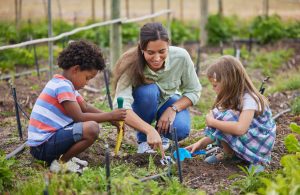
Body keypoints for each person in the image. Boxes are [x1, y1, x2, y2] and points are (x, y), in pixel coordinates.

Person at [27, 40, 126, 172]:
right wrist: (110, 115)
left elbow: (84, 106)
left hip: (46, 143)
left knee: (85, 125)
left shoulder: (65, 84)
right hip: (43, 147)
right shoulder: (62, 86)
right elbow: (79, 116)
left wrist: (111, 119)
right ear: (76, 69)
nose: (87, 83)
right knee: (91, 128)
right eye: (87, 78)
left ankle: (63, 159)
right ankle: (60, 163)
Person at [113, 22, 202, 154]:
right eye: (150, 52)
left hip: (169, 100)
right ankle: (144, 140)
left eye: (162, 51)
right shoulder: (130, 63)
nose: (156, 58)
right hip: (143, 104)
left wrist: (173, 109)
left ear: (168, 46)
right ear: (142, 49)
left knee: (180, 130)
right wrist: (149, 130)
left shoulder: (181, 57)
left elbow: (194, 91)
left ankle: (162, 137)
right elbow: (121, 107)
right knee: (148, 92)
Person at [186, 55, 276, 171]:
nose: (213, 89)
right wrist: (201, 143)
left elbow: (240, 129)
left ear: (229, 82)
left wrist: (213, 122)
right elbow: (224, 128)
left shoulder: (250, 99)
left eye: (215, 85)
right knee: (220, 115)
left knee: (223, 119)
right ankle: (231, 155)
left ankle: (258, 160)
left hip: (259, 141)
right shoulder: (232, 98)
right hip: (248, 136)